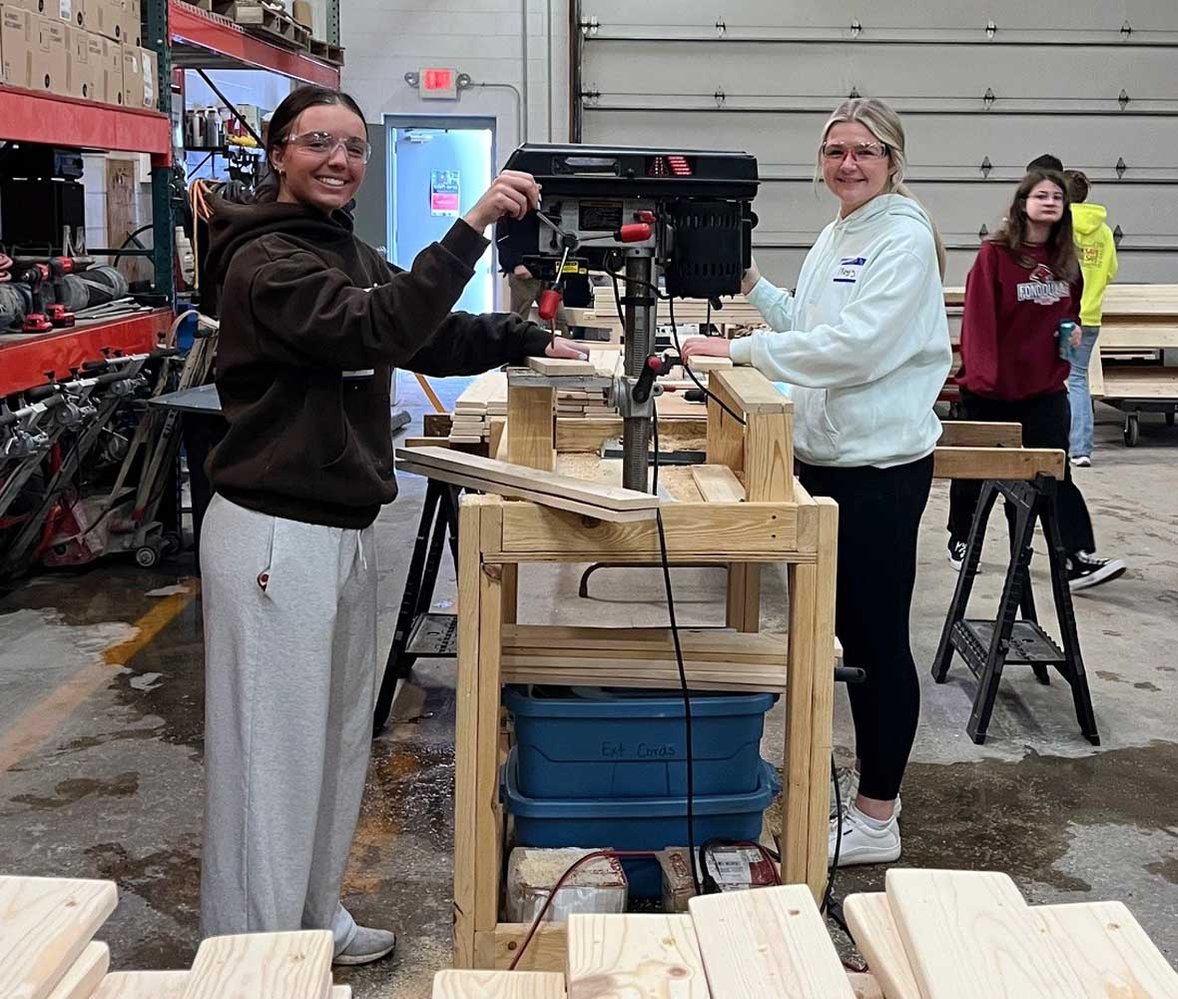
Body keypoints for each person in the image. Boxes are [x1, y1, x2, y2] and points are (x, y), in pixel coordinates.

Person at [198, 85, 585, 965]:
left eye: (353, 146)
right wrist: (473, 223)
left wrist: (521, 336)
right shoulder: (266, 263)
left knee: (333, 743)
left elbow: (423, 335)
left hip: (335, 525)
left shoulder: (335, 245)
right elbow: (379, 322)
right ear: (278, 152)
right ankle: (254, 959)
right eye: (317, 143)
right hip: (273, 534)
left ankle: (311, 915)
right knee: (272, 758)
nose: (339, 159)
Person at [683, 98, 952, 866]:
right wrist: (754, 287)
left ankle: (876, 818)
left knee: (875, 641)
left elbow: (858, 347)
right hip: (829, 458)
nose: (847, 164)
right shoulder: (841, 231)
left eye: (863, 151)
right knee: (846, 633)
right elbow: (811, 320)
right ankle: (859, 803)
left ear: (892, 159)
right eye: (835, 151)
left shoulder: (901, 237)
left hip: (880, 468)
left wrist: (742, 352)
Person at [946, 168, 1126, 591]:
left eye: (1057, 197)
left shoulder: (1065, 260)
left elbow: (1072, 308)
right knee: (975, 477)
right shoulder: (995, 255)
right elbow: (979, 320)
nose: (1049, 202)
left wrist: (1073, 328)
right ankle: (962, 538)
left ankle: (1073, 557)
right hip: (991, 390)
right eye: (1041, 195)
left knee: (1053, 473)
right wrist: (983, 381)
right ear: (1023, 203)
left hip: (1043, 389)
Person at [1065, 169, 1119, 465]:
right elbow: (1109, 271)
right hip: (1092, 316)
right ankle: (1082, 449)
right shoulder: (1104, 231)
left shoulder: (1060, 227)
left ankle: (1063, 443)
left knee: (1062, 380)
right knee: (1078, 379)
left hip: (1065, 316)